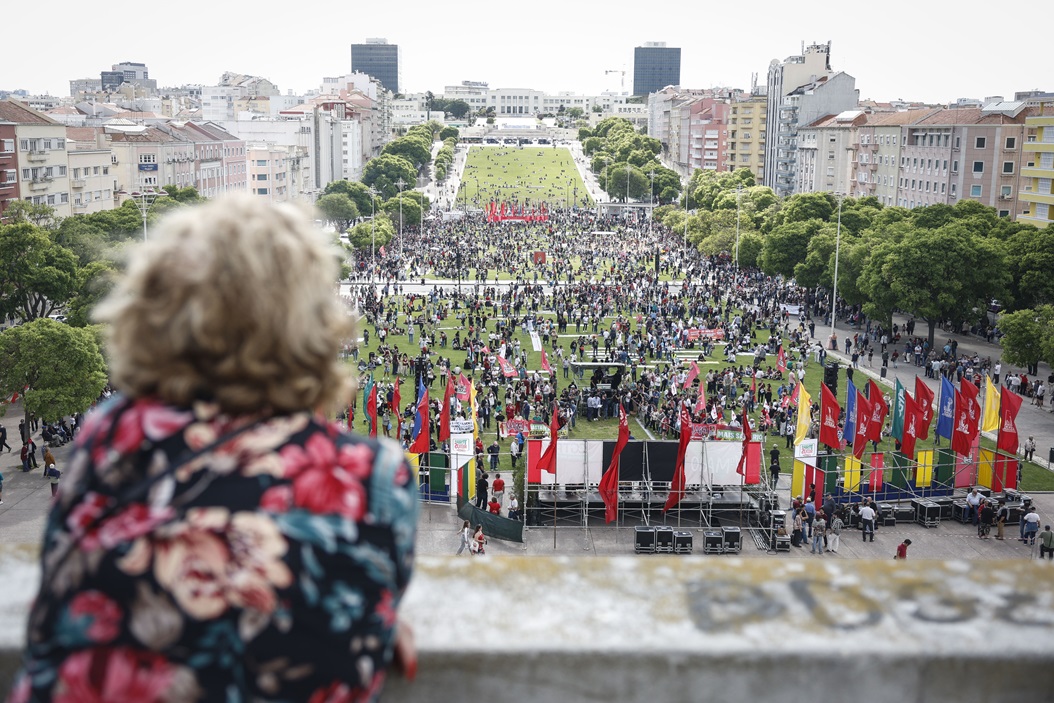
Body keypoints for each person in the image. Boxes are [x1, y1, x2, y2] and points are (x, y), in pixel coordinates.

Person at [9, 195, 419, 702]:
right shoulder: (371, 473)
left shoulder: (110, 433)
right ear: (311, 322)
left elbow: (61, 583)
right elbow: (367, 609)